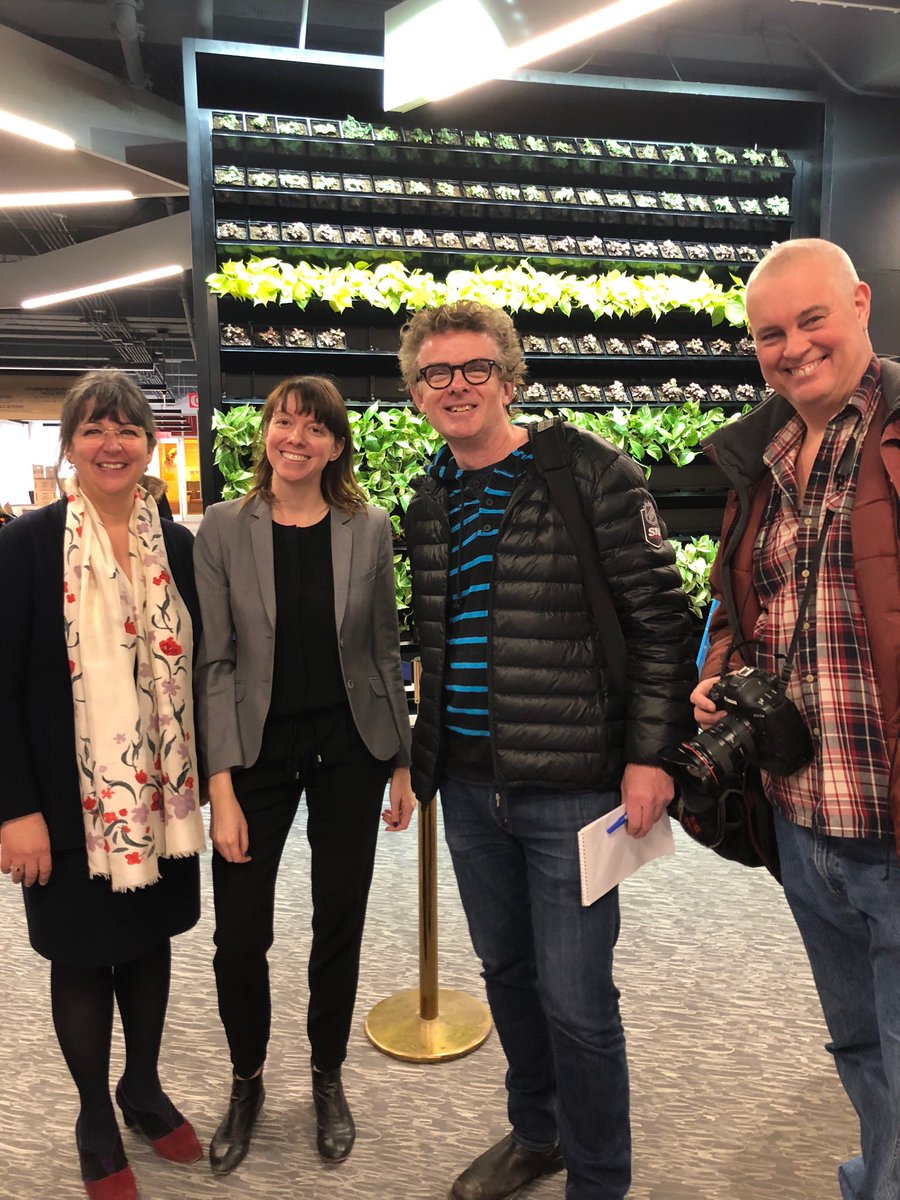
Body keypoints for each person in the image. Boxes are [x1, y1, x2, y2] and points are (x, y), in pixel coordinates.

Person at [400, 300, 695, 1200]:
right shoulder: (429, 496)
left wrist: (653, 757)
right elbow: (436, 636)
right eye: (436, 373)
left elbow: (661, 627)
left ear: (511, 376)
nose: (458, 386)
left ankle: (599, 1179)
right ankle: (538, 1131)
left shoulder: (591, 474)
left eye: (476, 367)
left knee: (576, 1001)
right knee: (506, 973)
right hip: (469, 787)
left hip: (573, 789)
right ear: (415, 394)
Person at [693, 238, 900, 1200]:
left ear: (860, 304)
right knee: (858, 1039)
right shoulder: (760, 460)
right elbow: (748, 609)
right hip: (801, 818)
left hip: (893, 825)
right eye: (770, 333)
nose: (793, 346)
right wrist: (722, 670)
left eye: (812, 318)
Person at [193, 374, 414, 1175]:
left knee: (339, 922)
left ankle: (327, 1076)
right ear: (266, 434)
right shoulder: (222, 527)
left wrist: (401, 762)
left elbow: (386, 651)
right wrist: (219, 787)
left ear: (336, 443)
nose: (298, 437)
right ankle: (247, 1078)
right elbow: (214, 663)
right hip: (254, 757)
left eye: (315, 427)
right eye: (285, 421)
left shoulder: (369, 526)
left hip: (350, 748)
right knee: (239, 935)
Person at [0, 370, 205, 1200]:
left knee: (147, 940)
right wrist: (14, 809)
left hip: (161, 795)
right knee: (83, 956)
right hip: (63, 801)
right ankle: (93, 1112)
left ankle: (142, 1086)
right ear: (71, 444)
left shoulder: (180, 546)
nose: (111, 443)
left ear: (147, 443)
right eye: (93, 429)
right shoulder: (26, 546)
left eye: (126, 428)